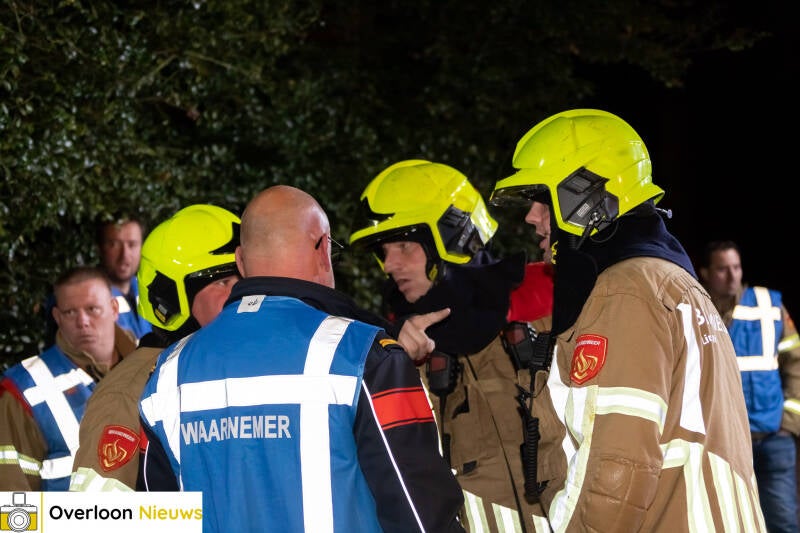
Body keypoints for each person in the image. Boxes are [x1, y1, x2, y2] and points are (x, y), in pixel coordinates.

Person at [488, 108, 765, 531]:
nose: (531, 216)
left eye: (543, 199)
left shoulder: (624, 290)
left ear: (587, 200)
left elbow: (617, 471)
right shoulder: (671, 279)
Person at [138, 185, 464, 533]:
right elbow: (422, 516)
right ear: (322, 248)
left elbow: (153, 520)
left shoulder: (167, 373)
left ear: (241, 261)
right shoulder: (363, 354)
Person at [349, 159, 554, 532]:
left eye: (404, 245)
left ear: (453, 235)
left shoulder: (548, 293)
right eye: (383, 251)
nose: (389, 265)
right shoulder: (388, 348)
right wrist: (397, 366)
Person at [69, 204, 241, 492]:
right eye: (223, 281)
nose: (242, 294)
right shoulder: (129, 392)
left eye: (246, 280)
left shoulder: (242, 366)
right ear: (169, 298)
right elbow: (96, 511)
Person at [0, 266, 137, 490]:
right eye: (70, 312)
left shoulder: (156, 366)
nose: (83, 321)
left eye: (93, 309)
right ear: (57, 317)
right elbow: (13, 502)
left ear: (114, 309)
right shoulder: (23, 390)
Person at [698, 239, 800, 532]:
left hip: (773, 439)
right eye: (722, 269)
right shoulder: (696, 310)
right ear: (705, 272)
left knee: (782, 522)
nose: (732, 276)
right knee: (728, 523)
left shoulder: (769, 305)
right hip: (722, 443)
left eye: (737, 267)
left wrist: (789, 422)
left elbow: (795, 364)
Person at [96, 216, 152, 340]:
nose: (125, 255)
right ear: (99, 249)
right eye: (114, 245)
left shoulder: (149, 291)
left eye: (132, 244)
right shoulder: (86, 299)